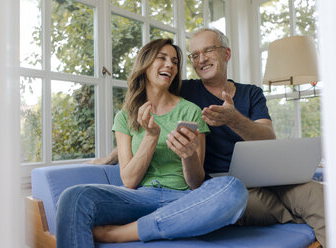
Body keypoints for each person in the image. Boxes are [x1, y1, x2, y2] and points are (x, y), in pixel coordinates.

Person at [89, 29, 326, 247]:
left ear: (226, 53)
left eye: (208, 50)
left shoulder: (251, 93)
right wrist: (114, 155)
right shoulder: (183, 91)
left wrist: (234, 118)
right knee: (258, 203)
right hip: (225, 184)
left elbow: (267, 136)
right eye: (194, 55)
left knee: (320, 197)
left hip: (272, 177)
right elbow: (147, 118)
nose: (200, 59)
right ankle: (297, 216)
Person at [56, 38, 248, 247]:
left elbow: (196, 183)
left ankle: (123, 233)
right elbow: (129, 181)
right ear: (145, 64)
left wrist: (188, 154)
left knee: (233, 189)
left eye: (175, 61)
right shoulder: (125, 117)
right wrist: (151, 136)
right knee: (73, 197)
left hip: (183, 199)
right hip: (139, 199)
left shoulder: (190, 110)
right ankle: (171, 223)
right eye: (162, 58)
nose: (170, 65)